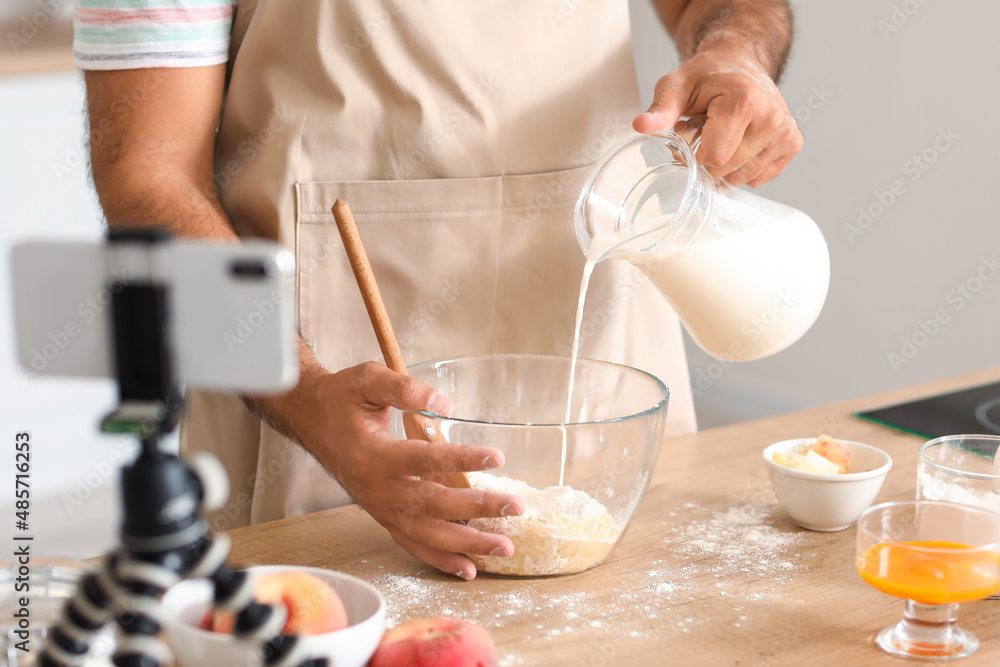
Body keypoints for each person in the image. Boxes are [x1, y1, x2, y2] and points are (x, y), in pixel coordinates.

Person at [74, 0, 802, 580]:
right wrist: (305, 396)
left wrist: (737, 51)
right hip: (311, 393)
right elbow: (147, 172)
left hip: (603, 350)